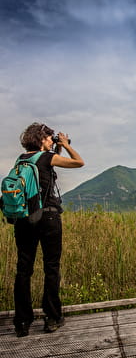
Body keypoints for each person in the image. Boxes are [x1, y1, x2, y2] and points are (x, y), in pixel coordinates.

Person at [13, 122, 84, 337]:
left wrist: (55, 148)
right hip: (48, 217)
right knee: (51, 267)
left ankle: (22, 322)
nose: (51, 140)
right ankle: (52, 317)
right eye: (49, 137)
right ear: (42, 139)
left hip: (24, 219)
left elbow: (45, 168)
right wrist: (65, 144)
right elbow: (79, 162)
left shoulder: (21, 160)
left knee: (24, 269)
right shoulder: (47, 157)